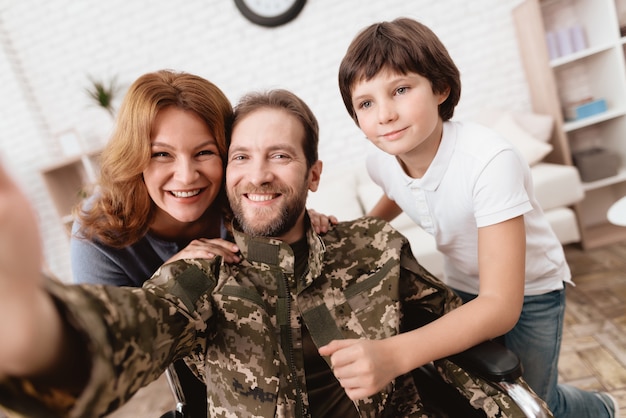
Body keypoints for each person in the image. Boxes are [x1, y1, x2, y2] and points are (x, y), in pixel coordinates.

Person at [0, 89, 539, 417]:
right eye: (242, 157)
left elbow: (468, 337)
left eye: (280, 155)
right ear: (228, 174)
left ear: (314, 173)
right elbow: (122, 336)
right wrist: (26, 324)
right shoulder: (202, 273)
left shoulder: (373, 246)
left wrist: (399, 359)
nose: (259, 174)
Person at [337, 17, 619, 418]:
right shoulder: (381, 162)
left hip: (532, 291)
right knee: (488, 396)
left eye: (400, 90)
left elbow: (501, 306)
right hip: (464, 285)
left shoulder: (488, 161)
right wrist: (356, 232)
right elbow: (396, 191)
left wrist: (393, 355)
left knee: (533, 406)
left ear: (440, 88)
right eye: (366, 103)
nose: (384, 114)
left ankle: (600, 408)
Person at [69, 70, 335, 416]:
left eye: (204, 152)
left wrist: (302, 222)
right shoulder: (100, 231)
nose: (186, 175)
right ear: (135, 156)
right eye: (161, 154)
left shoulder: (240, 194)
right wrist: (173, 275)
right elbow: (98, 357)